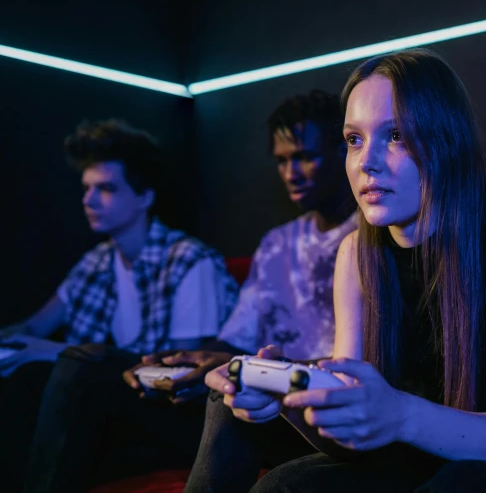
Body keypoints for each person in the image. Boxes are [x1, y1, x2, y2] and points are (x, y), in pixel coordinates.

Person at [195, 49, 486, 493]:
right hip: (408, 466)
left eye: (396, 135)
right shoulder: (356, 253)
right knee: (274, 470)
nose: (366, 162)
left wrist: (398, 413)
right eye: (354, 140)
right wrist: (284, 399)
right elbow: (352, 440)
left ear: (445, 140)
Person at [20, 90, 357, 493]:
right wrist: (184, 358)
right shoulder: (277, 243)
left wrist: (232, 365)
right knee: (86, 365)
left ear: (342, 152)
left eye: (304, 156)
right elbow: (233, 337)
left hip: (307, 405)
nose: (291, 173)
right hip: (253, 394)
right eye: (281, 161)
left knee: (229, 382)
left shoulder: (367, 238)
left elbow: (359, 364)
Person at [0, 118, 239, 491]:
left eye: (105, 189)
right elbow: (32, 328)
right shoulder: (95, 263)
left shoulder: (190, 260)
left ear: (144, 197)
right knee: (23, 380)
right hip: (115, 415)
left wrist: (58, 353)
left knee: (79, 366)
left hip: (176, 416)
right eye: (86, 188)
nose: (88, 199)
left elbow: (180, 374)